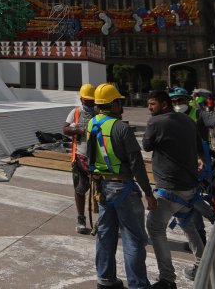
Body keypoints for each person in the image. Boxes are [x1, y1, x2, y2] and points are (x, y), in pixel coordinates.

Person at [87, 83, 156, 289]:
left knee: (105, 234)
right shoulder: (122, 128)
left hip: (102, 187)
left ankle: (105, 280)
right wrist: (148, 193)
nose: (121, 105)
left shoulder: (92, 124)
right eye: (119, 101)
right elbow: (136, 164)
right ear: (113, 104)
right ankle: (138, 284)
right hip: (123, 186)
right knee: (133, 238)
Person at [144, 90, 205, 288]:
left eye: (152, 104)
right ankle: (202, 264)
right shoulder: (187, 121)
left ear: (163, 104)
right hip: (189, 187)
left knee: (154, 227)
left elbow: (146, 146)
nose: (149, 108)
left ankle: (167, 279)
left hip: (170, 188)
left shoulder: (156, 123)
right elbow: (199, 147)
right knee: (187, 223)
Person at [168, 87, 215, 250]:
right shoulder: (171, 117)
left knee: (213, 200)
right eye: (174, 101)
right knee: (191, 203)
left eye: (180, 100)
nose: (177, 104)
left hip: (203, 165)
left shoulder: (198, 114)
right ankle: (201, 239)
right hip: (183, 167)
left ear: (187, 100)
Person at [63, 84, 97, 234]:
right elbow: (65, 129)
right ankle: (81, 218)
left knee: (100, 192)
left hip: (98, 159)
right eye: (87, 100)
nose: (90, 103)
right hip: (80, 157)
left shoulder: (98, 113)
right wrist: (79, 130)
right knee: (80, 190)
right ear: (82, 98)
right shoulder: (75, 112)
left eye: (92, 100)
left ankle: (102, 220)